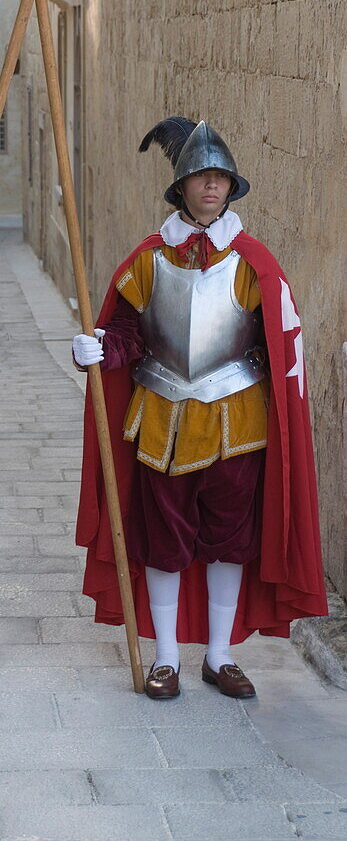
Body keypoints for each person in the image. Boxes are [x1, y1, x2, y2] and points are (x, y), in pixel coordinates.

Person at [73, 117, 327, 700]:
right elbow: (129, 334)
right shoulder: (147, 260)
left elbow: (278, 343)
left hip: (238, 424)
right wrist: (99, 347)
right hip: (161, 419)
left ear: (231, 188)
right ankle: (166, 658)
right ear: (181, 186)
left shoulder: (253, 263)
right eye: (201, 177)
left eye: (220, 178)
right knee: (163, 537)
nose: (211, 187)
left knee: (228, 539)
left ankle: (218, 654)